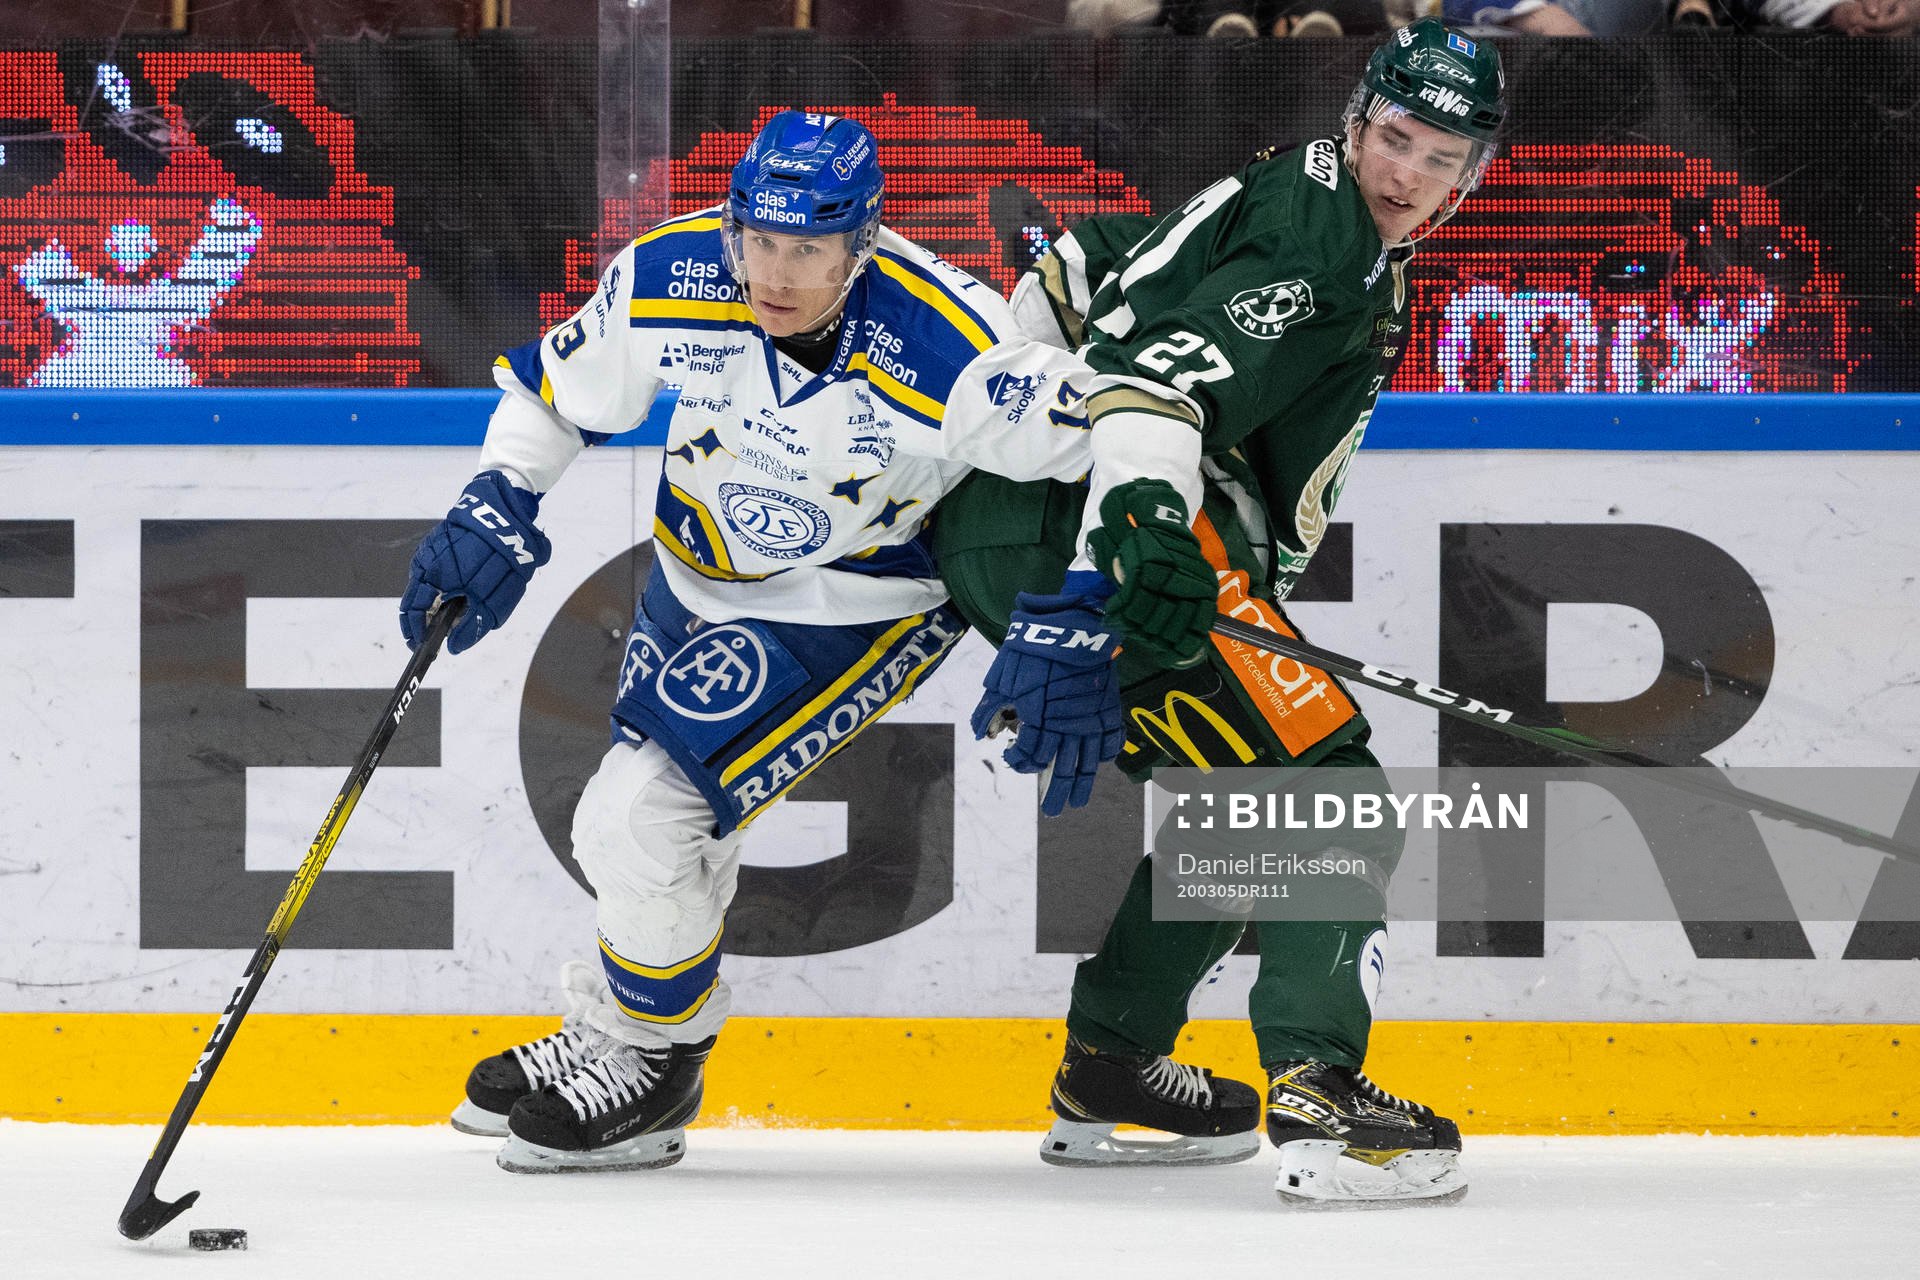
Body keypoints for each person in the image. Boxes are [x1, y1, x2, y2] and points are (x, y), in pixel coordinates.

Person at [401, 110, 1106, 1173]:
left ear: (860, 243)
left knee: (640, 814)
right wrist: (496, 496)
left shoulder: (953, 348)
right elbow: (558, 397)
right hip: (693, 578)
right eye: (758, 243)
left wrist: (1086, 589)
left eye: (807, 250)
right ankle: (610, 1021)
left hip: (857, 604)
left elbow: (1124, 432)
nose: (772, 276)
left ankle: (653, 1058)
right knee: (652, 822)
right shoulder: (675, 276)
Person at [934, 19, 1506, 1204]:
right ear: (1360, 120)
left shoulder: (1286, 188)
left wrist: (1024, 442)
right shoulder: (1328, 244)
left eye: (1443, 158)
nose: (1410, 175)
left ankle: (1114, 1066)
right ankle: (1322, 1092)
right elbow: (1160, 384)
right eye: (1398, 140)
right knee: (1328, 791)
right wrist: (1111, 563)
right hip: (1126, 542)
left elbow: (1085, 262)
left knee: (1251, 801)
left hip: (1010, 527)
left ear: (1472, 173)